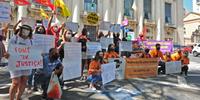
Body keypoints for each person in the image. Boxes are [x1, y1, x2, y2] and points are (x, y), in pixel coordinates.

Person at [4, 24, 33, 100]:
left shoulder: (31, 41)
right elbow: (9, 51)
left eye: (28, 30)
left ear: (30, 32)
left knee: (24, 82)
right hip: (15, 64)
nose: (25, 31)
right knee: (15, 82)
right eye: (24, 29)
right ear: (20, 30)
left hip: (26, 64)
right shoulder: (14, 39)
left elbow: (34, 52)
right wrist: (7, 55)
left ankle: (18, 98)